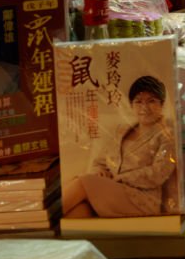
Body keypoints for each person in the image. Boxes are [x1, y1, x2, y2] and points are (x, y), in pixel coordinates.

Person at [61, 75, 177, 218]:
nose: (144, 107)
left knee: (83, 182)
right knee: (77, 211)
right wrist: (100, 172)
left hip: (142, 200)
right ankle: (43, 234)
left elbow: (159, 173)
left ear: (162, 104)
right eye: (138, 102)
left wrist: (120, 178)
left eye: (151, 101)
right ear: (131, 105)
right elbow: (100, 162)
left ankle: (37, 219)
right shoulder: (122, 131)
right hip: (113, 191)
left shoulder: (167, 134)